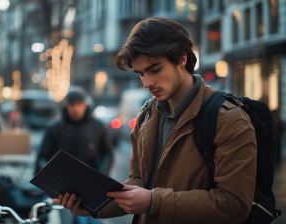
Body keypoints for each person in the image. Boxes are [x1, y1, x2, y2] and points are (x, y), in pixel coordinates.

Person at [57, 17, 257, 224]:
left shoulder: (228, 118)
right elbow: (138, 182)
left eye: (155, 69)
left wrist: (155, 202)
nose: (147, 83)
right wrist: (95, 206)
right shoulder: (146, 115)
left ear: (182, 59)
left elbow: (235, 205)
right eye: (141, 73)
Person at [36, 87, 114, 224]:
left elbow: (108, 153)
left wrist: (102, 177)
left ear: (85, 105)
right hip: (64, 191)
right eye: (72, 105)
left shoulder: (98, 126)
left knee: (94, 220)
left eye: (79, 104)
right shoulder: (54, 127)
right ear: (67, 106)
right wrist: (50, 179)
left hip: (92, 188)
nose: (76, 109)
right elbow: (42, 157)